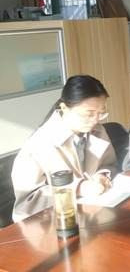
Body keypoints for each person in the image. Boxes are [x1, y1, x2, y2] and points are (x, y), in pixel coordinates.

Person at [11, 75, 117, 222]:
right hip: (52, 223)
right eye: (89, 114)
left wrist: (102, 176)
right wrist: (79, 188)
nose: (95, 120)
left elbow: (109, 164)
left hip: (91, 215)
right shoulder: (39, 143)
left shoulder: (97, 130)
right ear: (64, 108)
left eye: (101, 113)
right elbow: (27, 202)